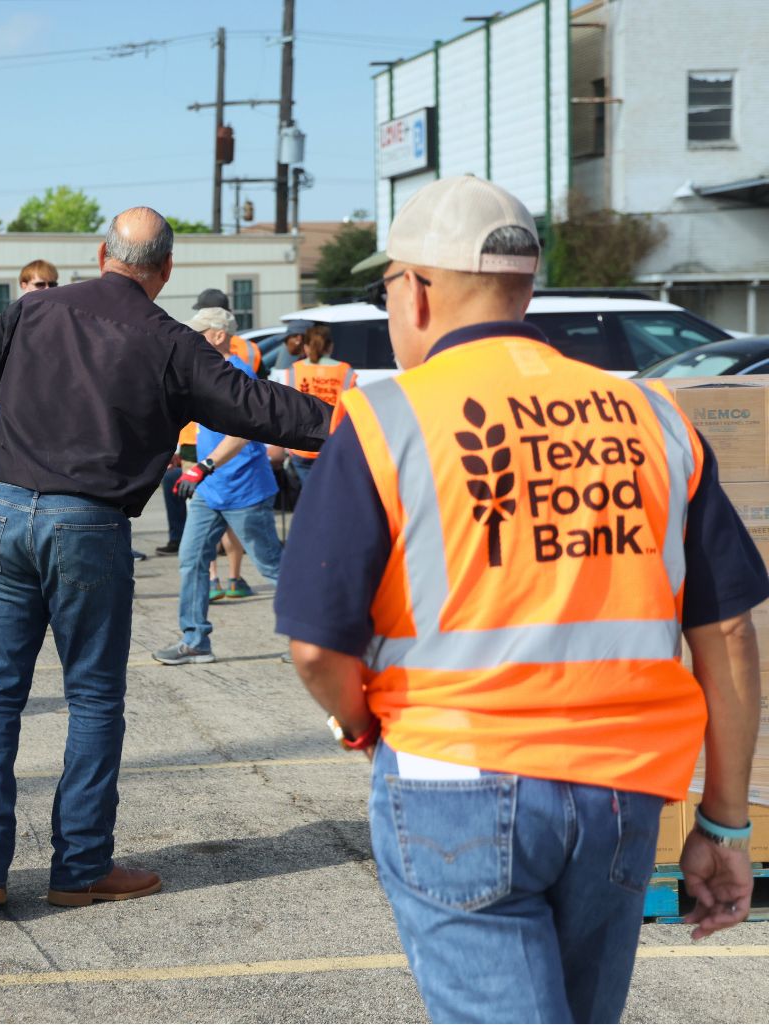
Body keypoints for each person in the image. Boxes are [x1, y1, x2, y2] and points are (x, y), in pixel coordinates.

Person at [276, 175, 766, 1022]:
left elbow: (318, 648)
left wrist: (358, 724)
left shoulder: (387, 420)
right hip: (620, 794)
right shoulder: (650, 414)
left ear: (419, 290)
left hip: (451, 777)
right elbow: (726, 632)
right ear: (524, 284)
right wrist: (723, 823)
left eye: (388, 283)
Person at [0, 207, 329, 908]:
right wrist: (349, 422)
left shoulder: (33, 312)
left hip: (2, 511)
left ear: (101, 254)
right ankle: (81, 868)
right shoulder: (168, 339)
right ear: (167, 268)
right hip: (87, 521)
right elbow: (254, 405)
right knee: (91, 696)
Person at [153, 308, 284, 666]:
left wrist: (206, 466)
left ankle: (315, 638)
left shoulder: (238, 373)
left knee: (272, 565)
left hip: (244, 489)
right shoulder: (204, 372)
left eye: (198, 332)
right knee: (191, 559)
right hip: (210, 489)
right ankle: (195, 640)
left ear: (218, 336)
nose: (191, 338)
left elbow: (242, 432)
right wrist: (183, 456)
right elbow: (202, 428)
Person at [283, 323, 355, 486]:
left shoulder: (294, 371)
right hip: (333, 444)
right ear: (330, 346)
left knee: (307, 496)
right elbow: (353, 411)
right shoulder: (345, 371)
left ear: (306, 347)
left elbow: (286, 410)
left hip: (300, 445)